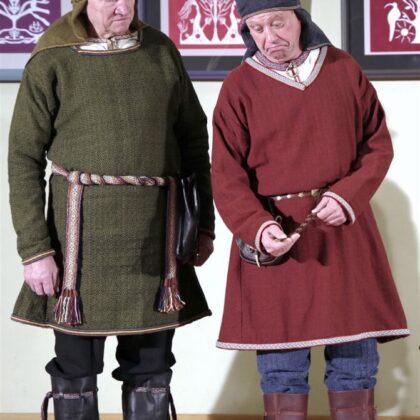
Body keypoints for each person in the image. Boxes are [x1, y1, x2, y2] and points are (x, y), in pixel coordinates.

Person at [8, 0, 215, 418]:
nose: (122, 7)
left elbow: (194, 143)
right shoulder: (51, 58)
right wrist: (35, 250)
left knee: (152, 366)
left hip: (155, 241)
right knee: (75, 368)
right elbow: (23, 158)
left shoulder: (160, 51)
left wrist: (203, 226)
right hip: (79, 247)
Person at [211, 1, 409, 419]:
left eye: (277, 23)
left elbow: (377, 145)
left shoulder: (343, 68)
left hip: (344, 231)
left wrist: (347, 196)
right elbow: (227, 177)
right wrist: (258, 227)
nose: (269, 37)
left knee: (355, 362)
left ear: (299, 19)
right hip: (278, 237)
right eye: (257, 28)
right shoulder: (238, 87)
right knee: (282, 370)